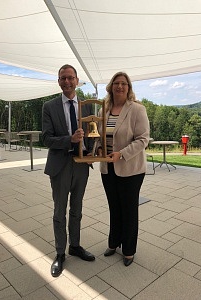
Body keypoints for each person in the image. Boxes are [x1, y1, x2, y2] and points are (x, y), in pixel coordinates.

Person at [42, 64, 95, 277]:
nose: (67, 82)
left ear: (77, 80)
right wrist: (69, 140)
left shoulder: (88, 105)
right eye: (63, 78)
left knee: (77, 209)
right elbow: (46, 138)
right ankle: (60, 253)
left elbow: (93, 133)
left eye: (70, 78)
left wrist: (93, 150)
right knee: (59, 211)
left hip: (81, 166)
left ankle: (75, 245)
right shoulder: (49, 106)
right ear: (59, 81)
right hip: (60, 165)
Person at [97, 71, 150, 266]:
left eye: (124, 84)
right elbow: (99, 136)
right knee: (114, 207)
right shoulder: (104, 110)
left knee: (128, 209)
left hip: (131, 168)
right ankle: (113, 242)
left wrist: (122, 154)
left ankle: (128, 250)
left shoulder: (137, 109)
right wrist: (100, 147)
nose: (120, 86)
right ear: (110, 86)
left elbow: (143, 139)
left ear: (128, 88)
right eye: (116, 83)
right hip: (107, 168)